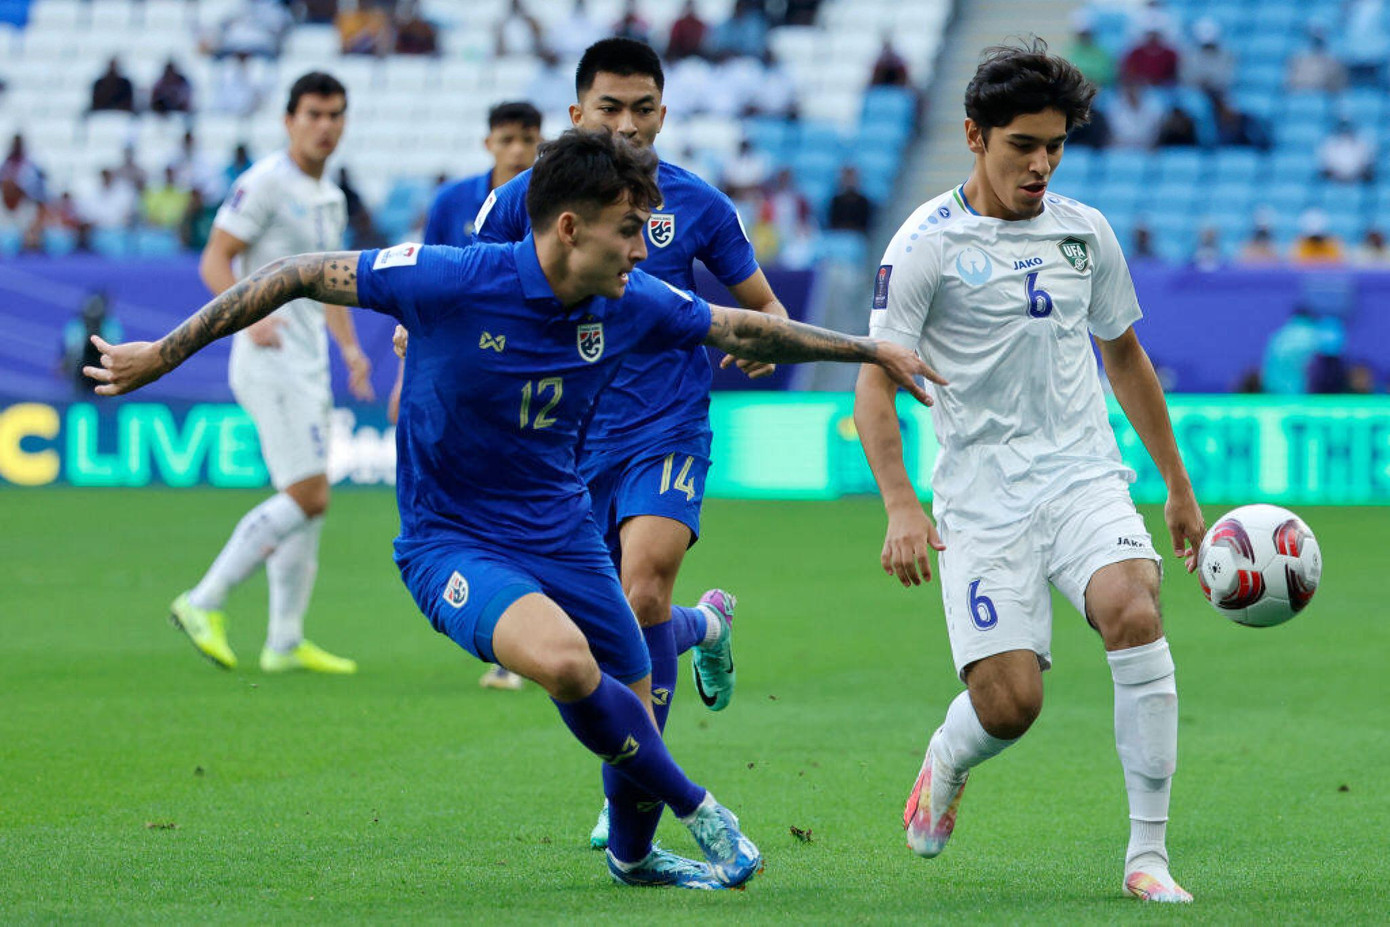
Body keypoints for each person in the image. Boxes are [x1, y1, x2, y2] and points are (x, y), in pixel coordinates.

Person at [84, 127, 941, 891]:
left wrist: (869, 347)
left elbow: (742, 329)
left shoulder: (632, 300)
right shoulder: (450, 278)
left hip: (559, 528)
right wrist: (163, 352)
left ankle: (635, 854)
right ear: (570, 227)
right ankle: (705, 811)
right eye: (628, 230)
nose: (643, 250)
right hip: (450, 540)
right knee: (571, 666)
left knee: (632, 696)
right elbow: (293, 272)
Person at [853, 39, 1205, 904]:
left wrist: (1177, 483)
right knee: (1011, 704)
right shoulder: (926, 244)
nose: (1042, 163)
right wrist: (902, 503)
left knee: (1132, 605)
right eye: (1023, 145)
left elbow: (1125, 357)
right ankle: (947, 755)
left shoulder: (1086, 234)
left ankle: (1147, 856)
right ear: (974, 136)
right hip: (980, 498)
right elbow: (873, 381)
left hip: (1084, 476)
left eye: (1055, 145)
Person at [472, 38, 793, 849]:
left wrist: (770, 336)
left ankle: (635, 798)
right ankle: (709, 628)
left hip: (665, 428)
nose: (626, 124)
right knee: (599, 632)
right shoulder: (523, 200)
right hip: (562, 444)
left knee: (641, 593)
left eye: (642, 107)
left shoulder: (700, 206)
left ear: (663, 112)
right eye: (609, 108)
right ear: (577, 115)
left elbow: (768, 309)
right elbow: (463, 281)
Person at [169, 72, 373, 676]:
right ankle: (202, 600)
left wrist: (351, 348)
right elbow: (215, 257)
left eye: (336, 114)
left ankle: (284, 640)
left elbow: (330, 282)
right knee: (308, 494)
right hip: (269, 358)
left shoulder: (330, 196)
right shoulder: (261, 184)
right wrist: (243, 319)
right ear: (289, 121)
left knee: (309, 498)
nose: (325, 126)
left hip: (307, 361)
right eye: (314, 114)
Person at [410, 99, 543, 689]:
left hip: (533, 372)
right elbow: (426, 288)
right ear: (489, 142)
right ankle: (511, 628)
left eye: (528, 139)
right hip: (465, 376)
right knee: (484, 495)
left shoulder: (550, 199)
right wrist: (411, 378)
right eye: (508, 139)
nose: (518, 150)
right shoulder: (452, 205)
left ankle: (527, 631)